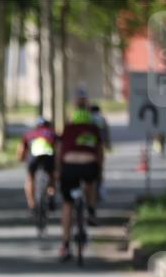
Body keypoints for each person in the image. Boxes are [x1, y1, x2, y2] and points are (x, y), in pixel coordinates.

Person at [55, 108, 104, 261]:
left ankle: (65, 244)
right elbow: (100, 152)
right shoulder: (94, 129)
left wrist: (58, 170)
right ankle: (91, 210)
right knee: (91, 182)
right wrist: (100, 171)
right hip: (89, 165)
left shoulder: (68, 129)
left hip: (69, 166)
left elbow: (59, 150)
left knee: (67, 204)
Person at [17, 116, 58, 215]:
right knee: (52, 175)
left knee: (30, 178)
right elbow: (58, 147)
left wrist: (21, 159)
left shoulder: (29, 133)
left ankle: (32, 205)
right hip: (48, 157)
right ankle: (51, 196)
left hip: (33, 158)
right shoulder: (52, 133)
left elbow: (21, 150)